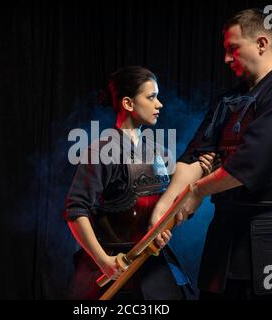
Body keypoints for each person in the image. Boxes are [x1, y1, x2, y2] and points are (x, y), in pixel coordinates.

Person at [150, 9, 272, 300]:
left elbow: (249, 164)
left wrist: (197, 191)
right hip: (225, 237)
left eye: (233, 49)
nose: (226, 59)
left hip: (271, 234)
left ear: (262, 44)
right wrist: (162, 213)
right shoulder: (226, 101)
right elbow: (193, 157)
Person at [63, 66, 216, 299]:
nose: (159, 104)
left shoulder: (159, 153)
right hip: (114, 267)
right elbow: (75, 211)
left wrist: (204, 178)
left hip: (153, 265)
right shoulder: (100, 152)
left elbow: (174, 208)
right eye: (151, 97)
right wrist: (103, 260)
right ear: (128, 103)